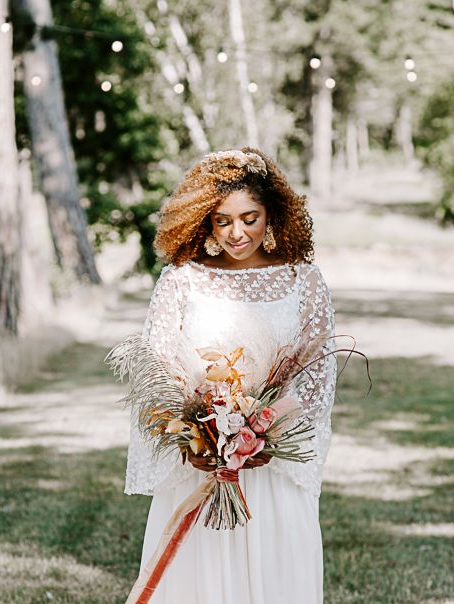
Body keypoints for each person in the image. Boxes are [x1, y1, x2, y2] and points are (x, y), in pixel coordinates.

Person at [124, 147, 337, 603]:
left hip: (273, 469)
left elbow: (318, 382)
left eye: (250, 217)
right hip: (198, 467)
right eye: (223, 220)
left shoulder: (304, 281)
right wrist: (190, 440)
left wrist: (266, 437)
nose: (237, 232)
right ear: (204, 220)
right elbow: (157, 371)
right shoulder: (182, 279)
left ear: (273, 214)